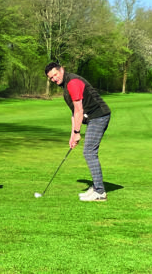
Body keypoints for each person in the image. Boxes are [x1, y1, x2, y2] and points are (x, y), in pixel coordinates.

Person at [45, 62, 111, 201]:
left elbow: (79, 109)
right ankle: (95, 187)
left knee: (89, 152)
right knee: (89, 152)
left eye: (55, 75)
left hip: (99, 116)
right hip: (93, 117)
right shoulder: (65, 86)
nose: (54, 79)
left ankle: (99, 192)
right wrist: (72, 135)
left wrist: (77, 132)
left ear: (61, 70)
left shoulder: (73, 82)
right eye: (51, 78)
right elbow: (74, 113)